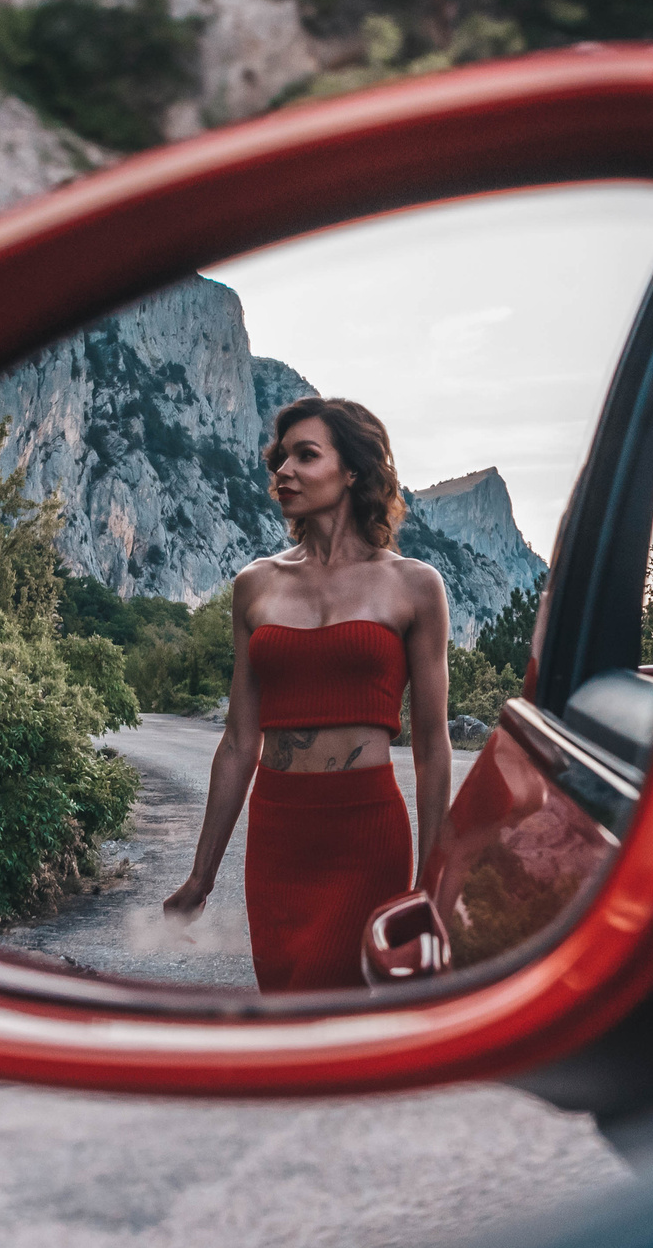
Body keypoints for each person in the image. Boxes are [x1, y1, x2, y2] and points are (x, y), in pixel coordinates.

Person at [162, 397, 452, 991]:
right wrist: (202, 875)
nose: (282, 472)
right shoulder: (255, 585)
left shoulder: (415, 586)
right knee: (288, 1008)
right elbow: (240, 741)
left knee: (337, 1013)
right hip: (279, 837)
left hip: (366, 835)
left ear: (352, 471)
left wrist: (432, 878)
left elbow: (433, 747)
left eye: (305, 455)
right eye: (279, 460)